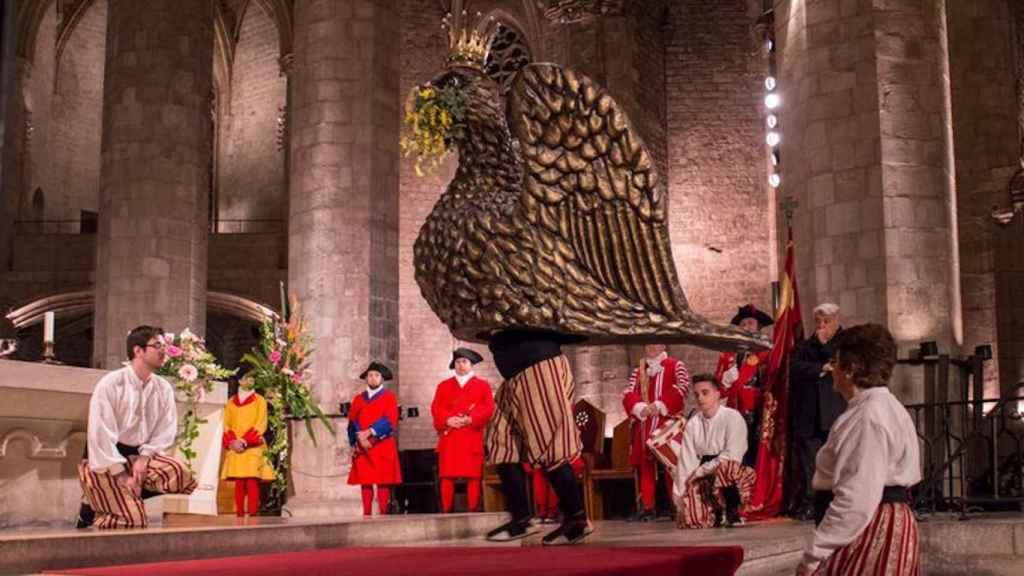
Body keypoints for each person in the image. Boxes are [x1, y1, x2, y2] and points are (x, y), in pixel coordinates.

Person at [796, 324, 921, 576]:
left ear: (851, 369)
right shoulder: (881, 406)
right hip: (878, 521)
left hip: (871, 528)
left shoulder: (868, 416)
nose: (832, 369)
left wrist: (814, 555)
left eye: (835, 361)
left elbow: (856, 496)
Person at [76, 325, 197, 529]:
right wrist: (122, 475)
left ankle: (118, 497)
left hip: (137, 457)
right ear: (138, 351)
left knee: (181, 474)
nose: (163, 350)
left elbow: (164, 430)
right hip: (106, 461)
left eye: (163, 345)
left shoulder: (163, 387)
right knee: (133, 522)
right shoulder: (111, 384)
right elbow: (100, 436)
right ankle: (94, 502)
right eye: (156, 345)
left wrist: (144, 458)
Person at [483, 329, 590, 545]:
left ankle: (577, 520)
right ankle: (522, 518)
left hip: (538, 366)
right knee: (501, 442)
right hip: (513, 374)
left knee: (549, 442)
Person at [674, 374, 756, 529]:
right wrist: (681, 499)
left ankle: (734, 511)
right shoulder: (693, 424)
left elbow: (733, 454)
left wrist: (700, 472)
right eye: (697, 394)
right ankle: (714, 513)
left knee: (726, 469)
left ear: (717, 394)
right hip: (704, 470)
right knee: (694, 521)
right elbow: (686, 461)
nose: (700, 398)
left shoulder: (732, 417)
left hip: (734, 470)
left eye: (705, 393)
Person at [789, 303, 847, 520]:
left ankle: (837, 502)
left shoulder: (845, 342)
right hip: (810, 415)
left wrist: (824, 348)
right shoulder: (805, 346)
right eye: (818, 322)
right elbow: (794, 368)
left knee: (837, 461)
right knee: (810, 463)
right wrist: (820, 369)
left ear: (836, 321)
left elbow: (839, 364)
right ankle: (811, 503)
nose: (821, 326)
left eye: (826, 321)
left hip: (834, 413)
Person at [622, 343, 690, 521]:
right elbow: (628, 392)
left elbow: (683, 387)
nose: (651, 348)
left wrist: (659, 405)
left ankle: (678, 504)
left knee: (672, 465)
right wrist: (639, 407)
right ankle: (648, 506)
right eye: (648, 344)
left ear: (663, 345)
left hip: (668, 424)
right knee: (646, 467)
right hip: (645, 424)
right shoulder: (639, 371)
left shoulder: (676, 365)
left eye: (655, 344)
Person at [431, 347, 495, 513]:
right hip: (450, 436)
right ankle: (446, 510)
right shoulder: (443, 386)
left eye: (464, 362)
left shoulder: (482, 386)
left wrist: (470, 419)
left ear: (471, 364)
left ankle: (473, 509)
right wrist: (448, 420)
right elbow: (436, 408)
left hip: (471, 435)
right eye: (458, 362)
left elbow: (488, 408)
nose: (461, 365)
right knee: (447, 476)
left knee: (473, 475)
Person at [715, 304, 772, 466]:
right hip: (733, 410)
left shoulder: (766, 351)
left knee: (753, 455)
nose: (747, 327)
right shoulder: (728, 353)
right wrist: (725, 380)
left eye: (750, 323)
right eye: (743, 324)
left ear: (758, 327)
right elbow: (718, 386)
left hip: (757, 412)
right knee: (733, 454)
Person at [347, 361, 402, 517]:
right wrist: (357, 438)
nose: (372, 378)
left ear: (381, 378)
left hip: (381, 444)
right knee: (366, 481)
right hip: (363, 446)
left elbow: (389, 420)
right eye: (370, 375)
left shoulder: (389, 398)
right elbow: (352, 420)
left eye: (376, 375)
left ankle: (383, 513)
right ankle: (366, 513)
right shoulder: (358, 399)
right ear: (366, 378)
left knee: (382, 480)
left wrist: (370, 433)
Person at [221, 373, 275, 517]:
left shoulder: (259, 400)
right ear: (239, 381)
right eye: (246, 378)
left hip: (252, 445)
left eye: (252, 378)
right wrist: (232, 441)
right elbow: (226, 424)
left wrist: (244, 441)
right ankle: (239, 512)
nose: (250, 381)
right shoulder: (231, 402)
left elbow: (261, 423)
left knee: (252, 479)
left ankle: (252, 512)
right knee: (239, 481)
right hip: (236, 446)